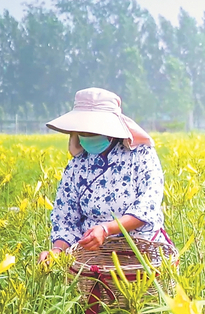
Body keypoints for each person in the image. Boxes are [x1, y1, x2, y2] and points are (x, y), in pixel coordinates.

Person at [39, 87, 170, 262]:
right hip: (93, 259)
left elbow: (147, 207)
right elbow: (65, 218)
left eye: (93, 130)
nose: (87, 136)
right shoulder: (77, 165)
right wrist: (57, 250)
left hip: (141, 256)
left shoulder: (141, 155)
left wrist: (107, 229)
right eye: (83, 131)